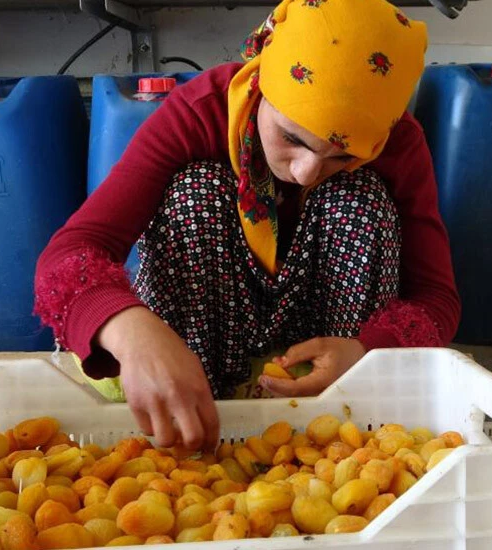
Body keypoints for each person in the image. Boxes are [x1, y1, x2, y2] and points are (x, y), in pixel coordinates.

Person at [34, 0, 460, 451]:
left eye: (343, 156)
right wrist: (130, 330)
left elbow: (438, 298)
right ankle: (191, 404)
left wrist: (366, 350)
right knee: (196, 188)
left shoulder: (398, 143)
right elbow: (71, 254)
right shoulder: (200, 111)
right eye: (291, 137)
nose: (305, 172)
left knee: (359, 197)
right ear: (261, 81)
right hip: (200, 349)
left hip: (326, 357)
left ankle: (339, 416)